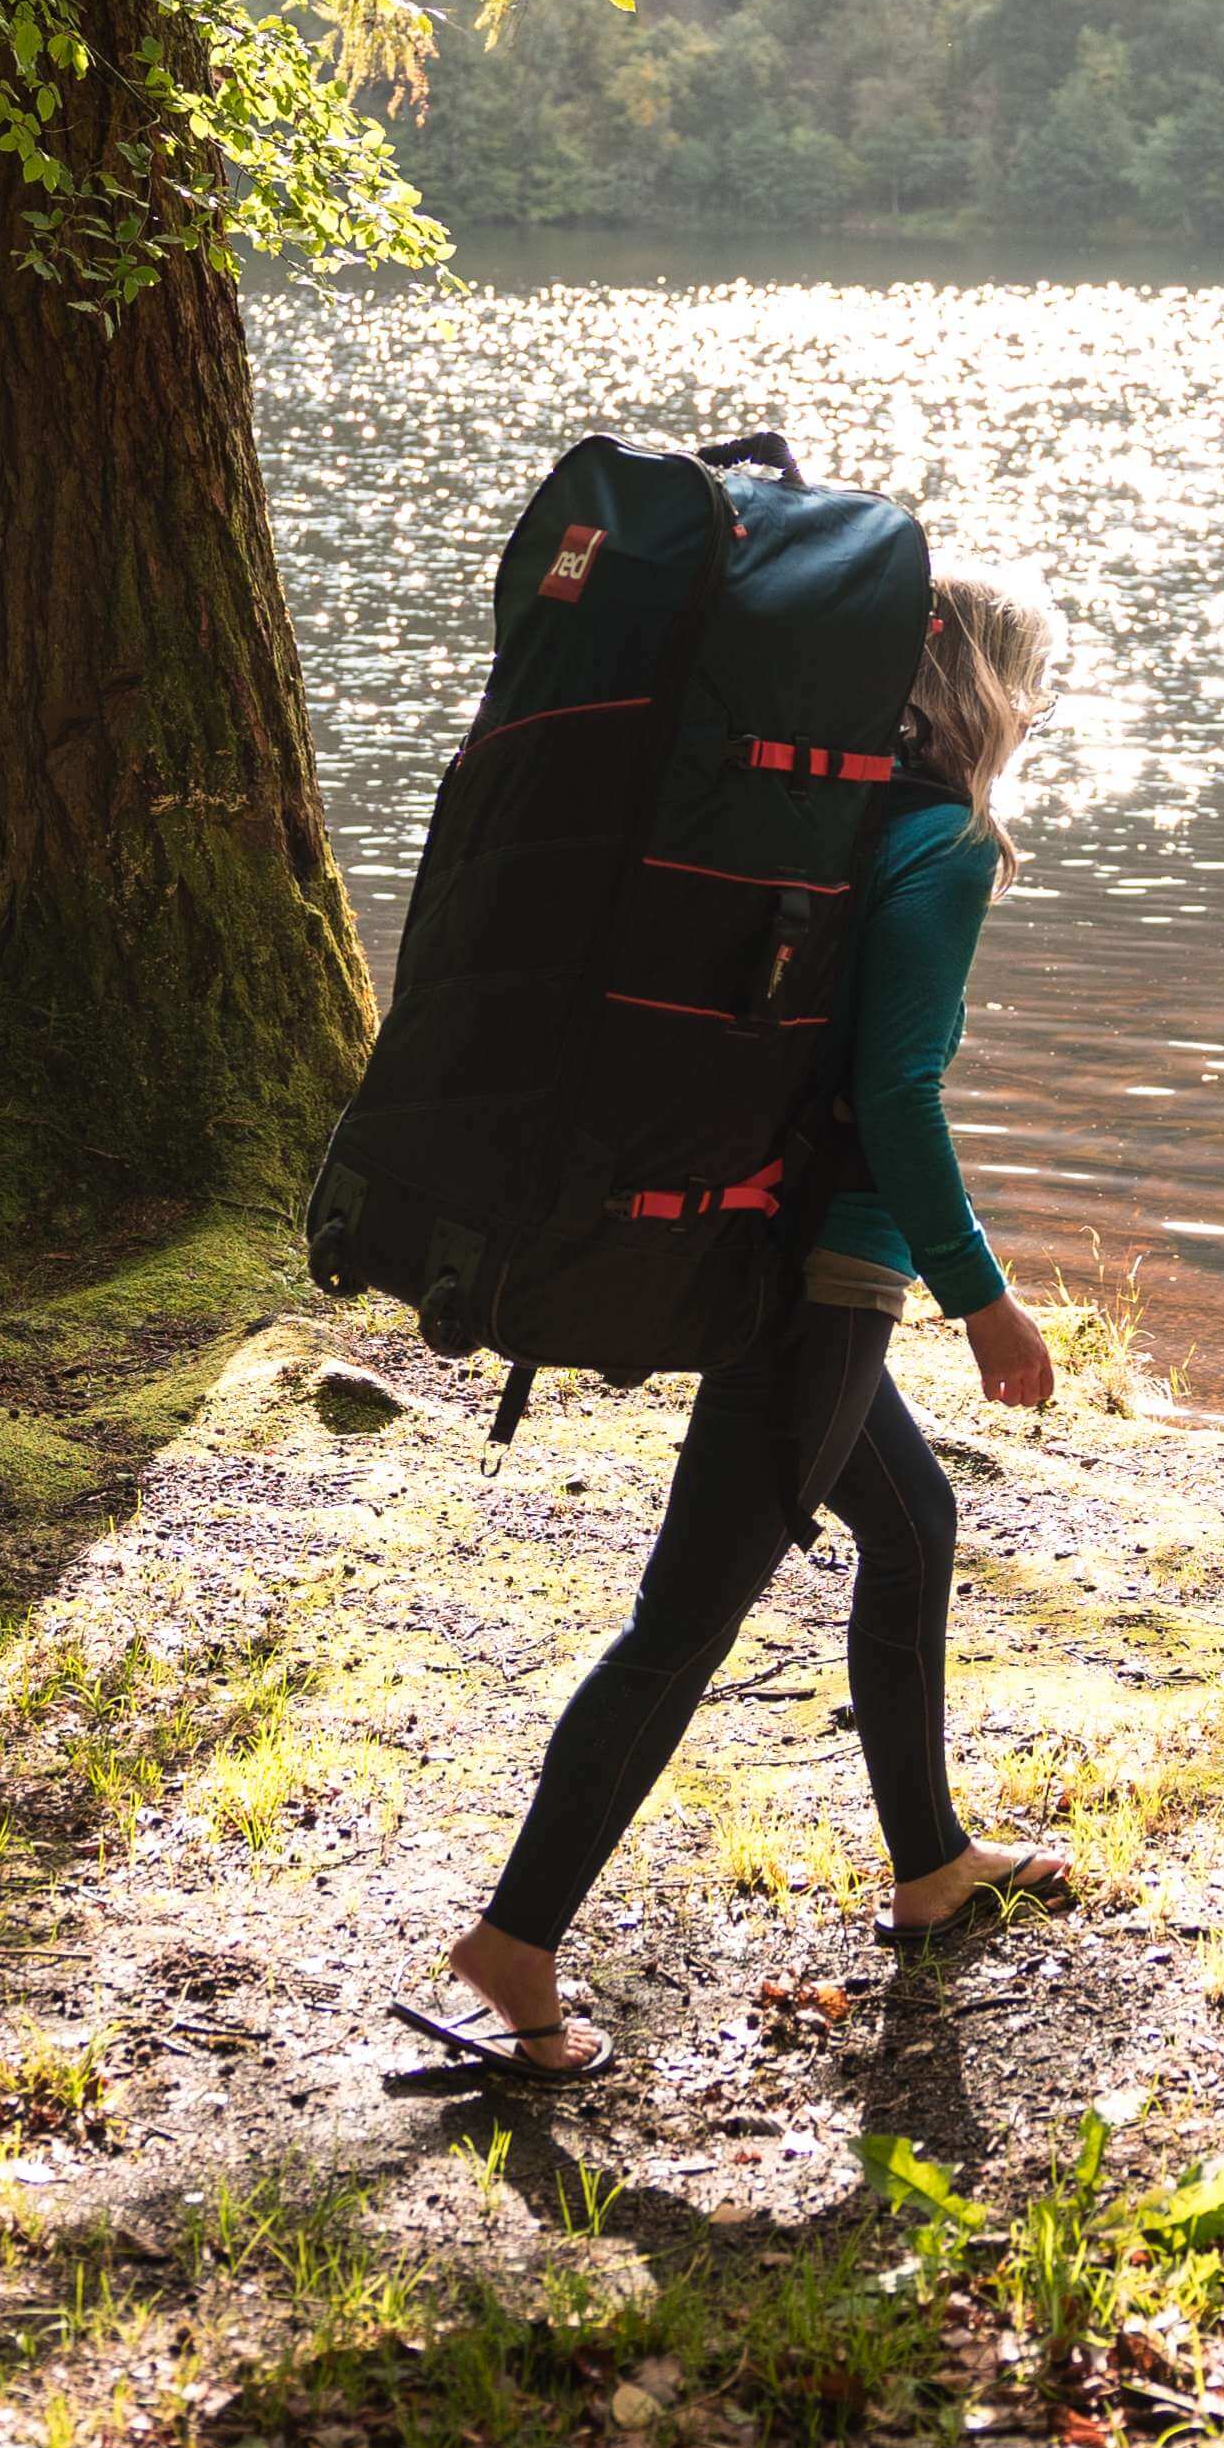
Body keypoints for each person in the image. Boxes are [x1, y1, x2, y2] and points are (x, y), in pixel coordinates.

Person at [438, 561, 1078, 2079]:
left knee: (912, 1523)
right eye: (1031, 682)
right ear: (985, 688)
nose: (1038, 713)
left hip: (752, 1245)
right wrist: (983, 1299)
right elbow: (895, 1097)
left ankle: (930, 1863)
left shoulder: (830, 820)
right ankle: (517, 1938)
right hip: (822, 1287)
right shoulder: (949, 846)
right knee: (683, 1622)